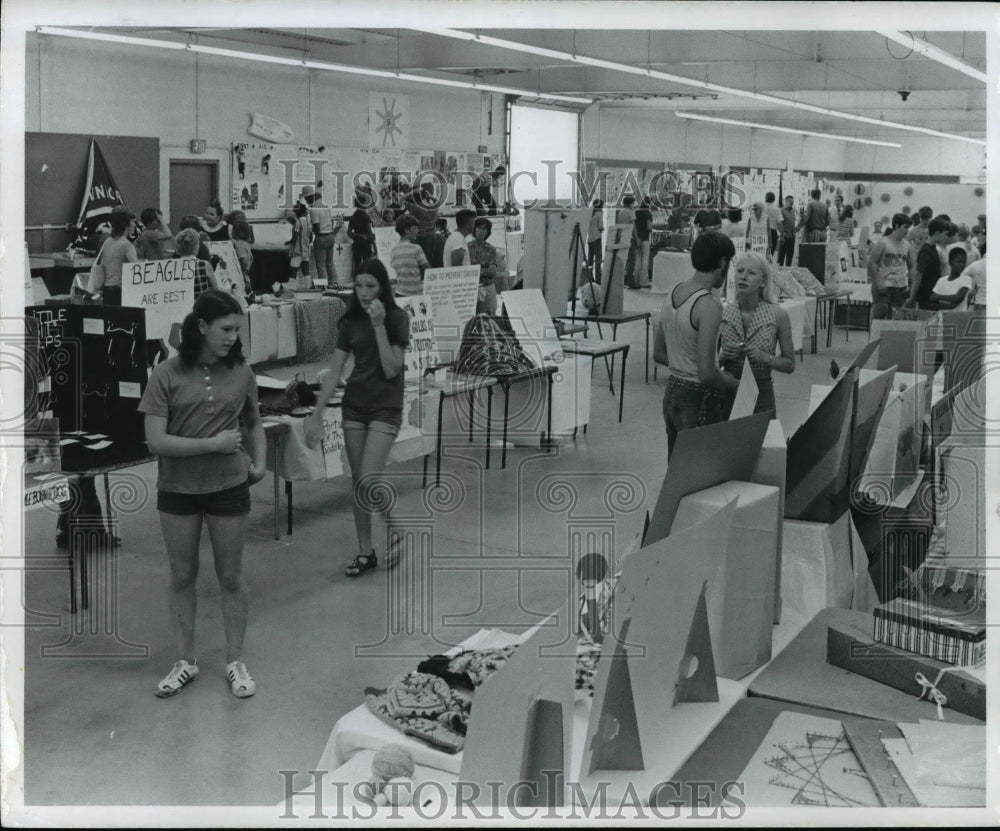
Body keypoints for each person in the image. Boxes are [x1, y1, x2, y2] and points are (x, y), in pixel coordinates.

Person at [139, 290, 266, 699]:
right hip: (177, 490)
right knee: (182, 575)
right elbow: (155, 442)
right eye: (225, 328)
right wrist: (212, 445)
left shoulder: (242, 373)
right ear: (201, 327)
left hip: (229, 487)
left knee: (231, 576)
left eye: (236, 329)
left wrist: (259, 462)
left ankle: (235, 660)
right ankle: (185, 661)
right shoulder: (166, 374)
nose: (232, 336)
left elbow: (253, 423)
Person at [303, 259, 410, 577]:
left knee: (368, 476)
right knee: (358, 483)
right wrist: (316, 412)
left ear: (383, 288)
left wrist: (378, 327)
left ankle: (396, 529)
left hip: (386, 406)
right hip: (355, 405)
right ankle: (365, 551)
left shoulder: (396, 318)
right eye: (359, 285)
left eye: (370, 286)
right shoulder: (349, 322)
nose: (363, 293)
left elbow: (392, 368)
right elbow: (335, 371)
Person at [653, 231, 740, 458]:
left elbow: (659, 353)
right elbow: (707, 373)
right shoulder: (709, 304)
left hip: (672, 393)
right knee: (701, 476)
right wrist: (733, 383)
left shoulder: (674, 291)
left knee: (679, 474)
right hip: (698, 399)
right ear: (722, 262)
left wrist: (693, 362)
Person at [718, 251, 795, 417]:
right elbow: (707, 363)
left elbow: (790, 364)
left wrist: (765, 357)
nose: (743, 277)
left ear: (763, 281)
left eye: (751, 273)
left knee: (764, 439)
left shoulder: (778, 315)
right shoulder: (722, 312)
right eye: (740, 271)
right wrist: (722, 356)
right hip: (727, 390)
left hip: (762, 391)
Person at [867, 213, 915, 320]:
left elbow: (912, 266)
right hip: (883, 285)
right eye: (905, 227)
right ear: (897, 226)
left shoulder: (907, 245)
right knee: (880, 314)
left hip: (900, 287)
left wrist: (911, 283)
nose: (907, 230)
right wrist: (878, 283)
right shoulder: (883, 242)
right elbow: (872, 263)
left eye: (908, 227)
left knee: (895, 318)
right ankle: (875, 336)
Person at [87, 208, 137, 306]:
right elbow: (137, 269)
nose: (135, 225)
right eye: (133, 222)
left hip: (107, 289)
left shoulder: (107, 241)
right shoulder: (127, 245)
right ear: (126, 224)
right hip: (121, 290)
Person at [906, 215, 952, 311]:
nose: (945, 237)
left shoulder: (933, 248)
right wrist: (912, 297)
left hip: (932, 293)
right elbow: (919, 275)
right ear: (937, 233)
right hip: (926, 296)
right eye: (944, 234)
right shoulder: (926, 251)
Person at [301, 185, 335, 286]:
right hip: (331, 236)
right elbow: (331, 222)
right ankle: (334, 286)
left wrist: (309, 229)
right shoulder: (326, 205)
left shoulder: (313, 209)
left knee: (321, 266)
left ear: (311, 197)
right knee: (330, 264)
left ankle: (324, 288)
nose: (306, 201)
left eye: (306, 198)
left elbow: (317, 228)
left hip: (321, 238)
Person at [173, 228, 220, 299]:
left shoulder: (173, 266)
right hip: (201, 305)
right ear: (196, 247)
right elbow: (216, 291)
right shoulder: (204, 265)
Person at [404, 182, 443, 268]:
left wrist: (412, 192)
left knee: (421, 262)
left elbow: (401, 200)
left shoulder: (415, 209)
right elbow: (438, 202)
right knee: (430, 259)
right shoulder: (432, 208)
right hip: (433, 236)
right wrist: (430, 196)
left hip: (421, 237)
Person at [389, 214, 428, 297]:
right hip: (415, 293)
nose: (417, 230)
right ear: (407, 230)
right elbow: (428, 269)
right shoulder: (416, 248)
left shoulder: (394, 250)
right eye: (415, 228)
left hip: (399, 293)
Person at [468, 217, 500, 314]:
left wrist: (476, 270)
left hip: (488, 286)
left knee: (490, 315)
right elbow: (466, 271)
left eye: (484, 229)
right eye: (478, 228)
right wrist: (484, 268)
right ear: (474, 229)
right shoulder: (466, 247)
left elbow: (492, 272)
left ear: (488, 231)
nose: (481, 231)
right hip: (471, 288)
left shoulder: (491, 249)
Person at [347, 196, 377, 276]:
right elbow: (369, 232)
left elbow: (349, 232)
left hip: (356, 243)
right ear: (363, 204)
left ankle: (358, 281)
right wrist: (375, 246)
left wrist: (359, 235)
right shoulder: (366, 217)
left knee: (357, 265)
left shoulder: (353, 216)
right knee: (367, 265)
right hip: (365, 244)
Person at [285, 203, 313, 286]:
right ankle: (308, 289)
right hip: (306, 251)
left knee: (293, 272)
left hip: (297, 251)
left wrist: (290, 242)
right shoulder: (308, 222)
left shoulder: (298, 222)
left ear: (297, 213)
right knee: (306, 272)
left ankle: (291, 289)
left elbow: (296, 237)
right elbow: (310, 238)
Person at [229, 219, 254, 298]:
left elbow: (244, 260)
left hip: (241, 276)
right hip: (246, 275)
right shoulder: (246, 244)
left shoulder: (238, 244)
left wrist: (241, 271)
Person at [633, 196, 654, 288]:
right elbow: (648, 227)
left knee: (637, 260)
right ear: (648, 204)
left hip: (637, 239)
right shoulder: (648, 214)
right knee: (645, 260)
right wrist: (653, 228)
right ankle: (644, 282)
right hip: (645, 239)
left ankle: (635, 281)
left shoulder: (636, 212)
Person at [587, 199, 604, 283]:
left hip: (590, 239)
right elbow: (600, 226)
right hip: (597, 238)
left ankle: (590, 278)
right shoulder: (599, 213)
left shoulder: (590, 214)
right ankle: (598, 279)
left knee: (590, 261)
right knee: (598, 260)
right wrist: (603, 229)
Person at [777, 196, 796, 267]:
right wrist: (783, 234)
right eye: (790, 202)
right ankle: (779, 273)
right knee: (781, 257)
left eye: (793, 202)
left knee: (790, 256)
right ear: (786, 202)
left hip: (792, 236)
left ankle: (788, 272)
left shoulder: (793, 210)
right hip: (784, 237)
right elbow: (778, 224)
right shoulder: (781, 210)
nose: (792, 203)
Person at [764, 192, 782, 258]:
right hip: (773, 232)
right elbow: (779, 223)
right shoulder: (777, 209)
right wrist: (782, 234)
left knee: (762, 252)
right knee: (770, 254)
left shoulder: (762, 208)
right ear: (774, 199)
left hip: (762, 232)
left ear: (765, 199)